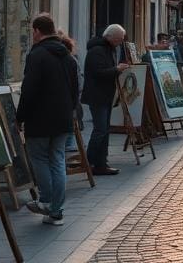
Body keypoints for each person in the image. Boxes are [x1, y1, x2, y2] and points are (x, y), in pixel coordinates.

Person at [17, 14, 79, 225]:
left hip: (40, 118)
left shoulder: (37, 55)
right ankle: (56, 210)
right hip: (62, 119)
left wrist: (20, 117)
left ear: (36, 31)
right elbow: (75, 90)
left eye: (32, 32)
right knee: (58, 160)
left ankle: (46, 201)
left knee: (40, 159)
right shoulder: (69, 57)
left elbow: (29, 90)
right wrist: (69, 112)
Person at [81, 24, 129, 176]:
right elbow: (98, 73)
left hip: (106, 95)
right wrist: (116, 69)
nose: (120, 42)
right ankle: (90, 162)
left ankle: (101, 163)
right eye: (119, 39)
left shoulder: (109, 49)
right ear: (110, 37)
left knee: (104, 130)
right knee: (100, 129)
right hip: (97, 96)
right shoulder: (97, 51)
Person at [56, 30, 83, 153]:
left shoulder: (63, 60)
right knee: (69, 131)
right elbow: (79, 82)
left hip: (63, 103)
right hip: (70, 102)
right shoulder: (72, 60)